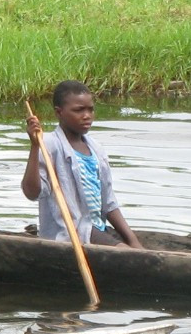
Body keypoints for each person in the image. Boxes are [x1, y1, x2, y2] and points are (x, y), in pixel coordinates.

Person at [22, 81, 141, 247]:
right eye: (78, 110)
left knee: (133, 251)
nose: (87, 115)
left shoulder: (96, 149)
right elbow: (31, 192)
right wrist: (35, 146)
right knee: (125, 253)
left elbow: (109, 203)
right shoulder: (49, 145)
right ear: (59, 112)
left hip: (97, 228)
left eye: (90, 109)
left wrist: (134, 241)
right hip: (73, 232)